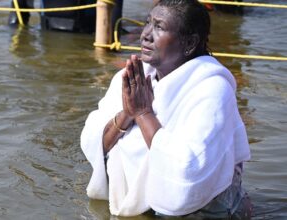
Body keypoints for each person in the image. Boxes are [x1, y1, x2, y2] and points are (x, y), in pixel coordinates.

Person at [80, 0, 252, 218]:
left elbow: (188, 173)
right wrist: (127, 113)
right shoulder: (136, 77)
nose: (145, 35)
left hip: (205, 211)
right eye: (147, 23)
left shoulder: (212, 90)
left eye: (159, 27)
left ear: (189, 43)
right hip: (145, 206)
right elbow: (94, 144)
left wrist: (143, 114)